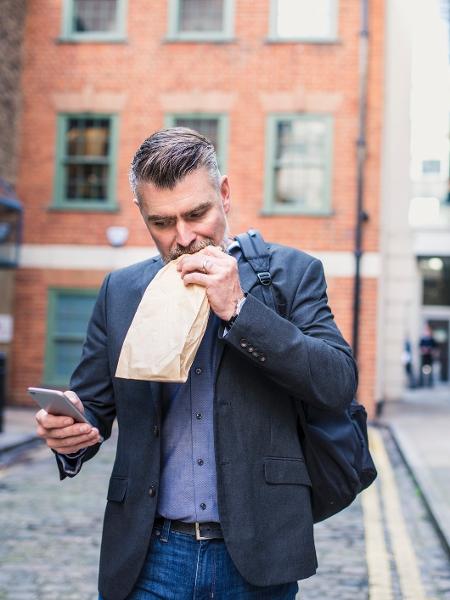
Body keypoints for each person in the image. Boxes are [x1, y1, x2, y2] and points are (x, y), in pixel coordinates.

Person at [35, 128, 357, 600]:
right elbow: (93, 411)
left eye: (197, 213)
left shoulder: (292, 275)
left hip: (256, 554)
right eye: (162, 222)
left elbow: (336, 383)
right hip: (149, 555)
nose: (183, 237)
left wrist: (242, 311)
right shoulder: (120, 291)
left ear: (224, 195)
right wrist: (70, 434)